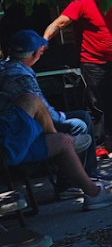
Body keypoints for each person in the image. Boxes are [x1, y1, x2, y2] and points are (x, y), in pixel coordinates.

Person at [1, 30, 98, 192]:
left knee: (82, 116)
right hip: (17, 130)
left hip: (17, 123)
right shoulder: (20, 75)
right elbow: (45, 111)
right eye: (40, 50)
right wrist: (61, 121)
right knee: (78, 124)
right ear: (34, 54)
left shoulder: (5, 67)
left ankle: (89, 174)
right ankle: (70, 183)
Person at [44, 0, 112, 153]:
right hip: (91, 63)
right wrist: (44, 40)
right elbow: (60, 23)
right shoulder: (81, 2)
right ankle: (98, 145)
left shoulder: (111, 2)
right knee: (95, 105)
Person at [0, 92, 112, 210]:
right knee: (32, 100)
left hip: (8, 142)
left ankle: (94, 193)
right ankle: (66, 140)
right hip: (5, 148)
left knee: (62, 140)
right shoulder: (16, 72)